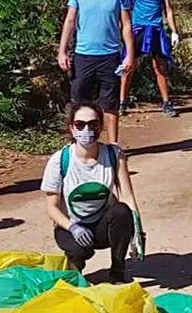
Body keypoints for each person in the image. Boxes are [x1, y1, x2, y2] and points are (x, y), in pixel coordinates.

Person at [40, 102, 144, 284]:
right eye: (80, 124)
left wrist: (137, 230)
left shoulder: (114, 154)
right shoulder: (59, 160)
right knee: (79, 251)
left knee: (121, 212)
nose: (86, 130)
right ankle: (75, 268)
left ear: (101, 126)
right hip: (71, 225)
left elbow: (127, 196)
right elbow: (52, 207)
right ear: (71, 128)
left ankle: (118, 271)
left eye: (93, 124)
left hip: (102, 226)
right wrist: (73, 227)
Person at [58, 0, 136, 145]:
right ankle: (78, 145)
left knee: (110, 105)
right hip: (83, 56)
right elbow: (70, 21)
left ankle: (113, 147)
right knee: (79, 104)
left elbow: (126, 25)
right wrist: (62, 51)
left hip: (110, 57)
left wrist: (129, 55)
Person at [120, 0, 180, 118]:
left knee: (160, 67)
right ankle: (122, 102)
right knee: (128, 66)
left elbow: (168, 10)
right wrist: (123, 32)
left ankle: (166, 103)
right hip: (138, 30)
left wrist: (174, 31)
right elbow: (125, 11)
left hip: (156, 30)